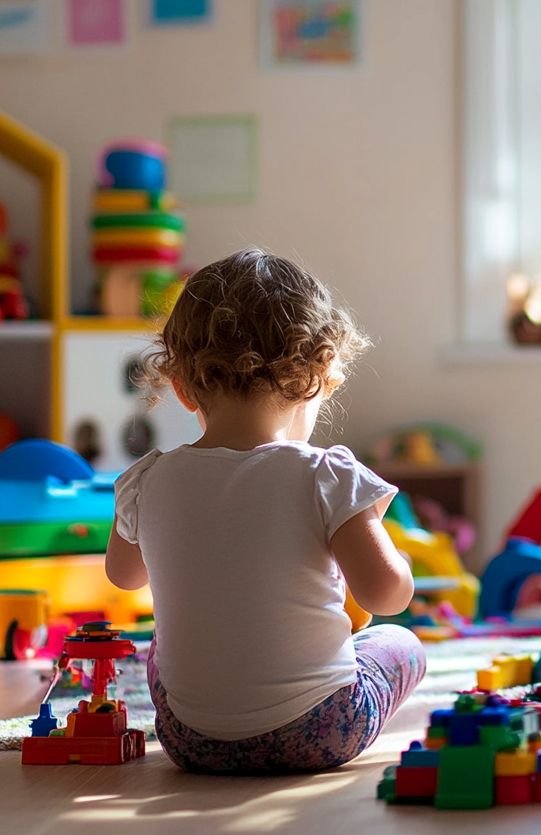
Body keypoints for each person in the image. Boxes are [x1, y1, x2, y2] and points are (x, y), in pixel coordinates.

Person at [105, 249, 423, 774]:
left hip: (191, 741)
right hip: (317, 732)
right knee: (399, 642)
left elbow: (123, 575)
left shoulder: (147, 478)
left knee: (162, 644)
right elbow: (387, 596)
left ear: (182, 386)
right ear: (318, 377)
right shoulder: (326, 474)